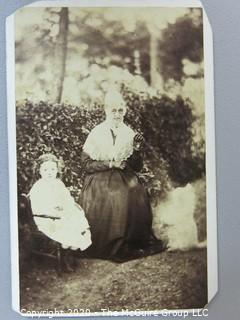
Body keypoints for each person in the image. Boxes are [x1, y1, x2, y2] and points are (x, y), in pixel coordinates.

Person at [80, 90, 161, 261]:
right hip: (99, 178)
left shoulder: (128, 133)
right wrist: (110, 164)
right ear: (106, 111)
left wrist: (137, 150)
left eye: (120, 110)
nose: (117, 115)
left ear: (124, 111)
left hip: (123, 175)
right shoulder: (97, 133)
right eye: (113, 111)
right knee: (118, 196)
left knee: (137, 191)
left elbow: (137, 167)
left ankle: (133, 241)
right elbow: (86, 165)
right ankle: (114, 243)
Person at [29, 153, 92, 270]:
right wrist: (55, 210)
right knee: (67, 225)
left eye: (52, 169)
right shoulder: (38, 188)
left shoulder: (58, 184)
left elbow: (67, 200)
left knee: (76, 219)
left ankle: (68, 254)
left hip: (59, 215)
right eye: (45, 169)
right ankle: (65, 258)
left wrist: (66, 208)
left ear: (57, 171)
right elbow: (38, 207)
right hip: (46, 219)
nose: (49, 172)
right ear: (39, 171)